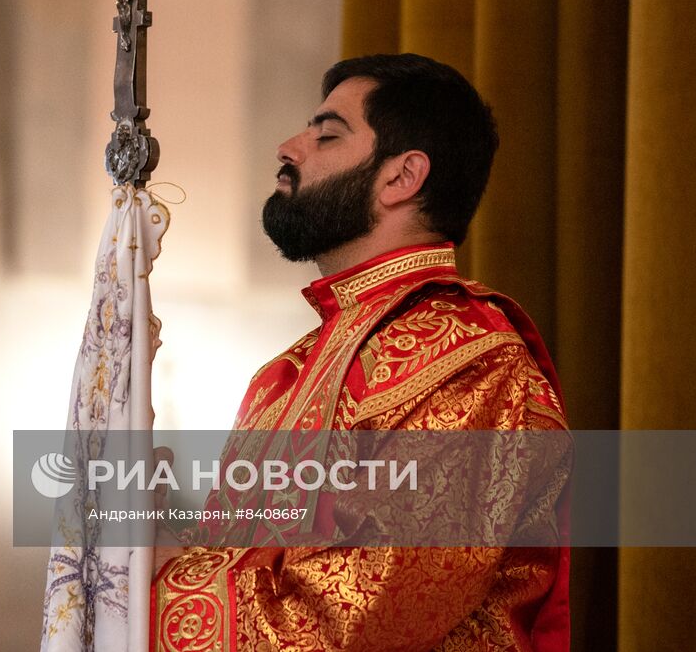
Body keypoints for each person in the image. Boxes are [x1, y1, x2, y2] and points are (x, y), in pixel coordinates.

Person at [150, 53, 569, 651]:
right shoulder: (287, 374)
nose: (289, 147)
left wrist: (162, 573)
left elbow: (363, 609)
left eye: (326, 135)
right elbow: (250, 568)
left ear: (402, 177)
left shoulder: (470, 360)